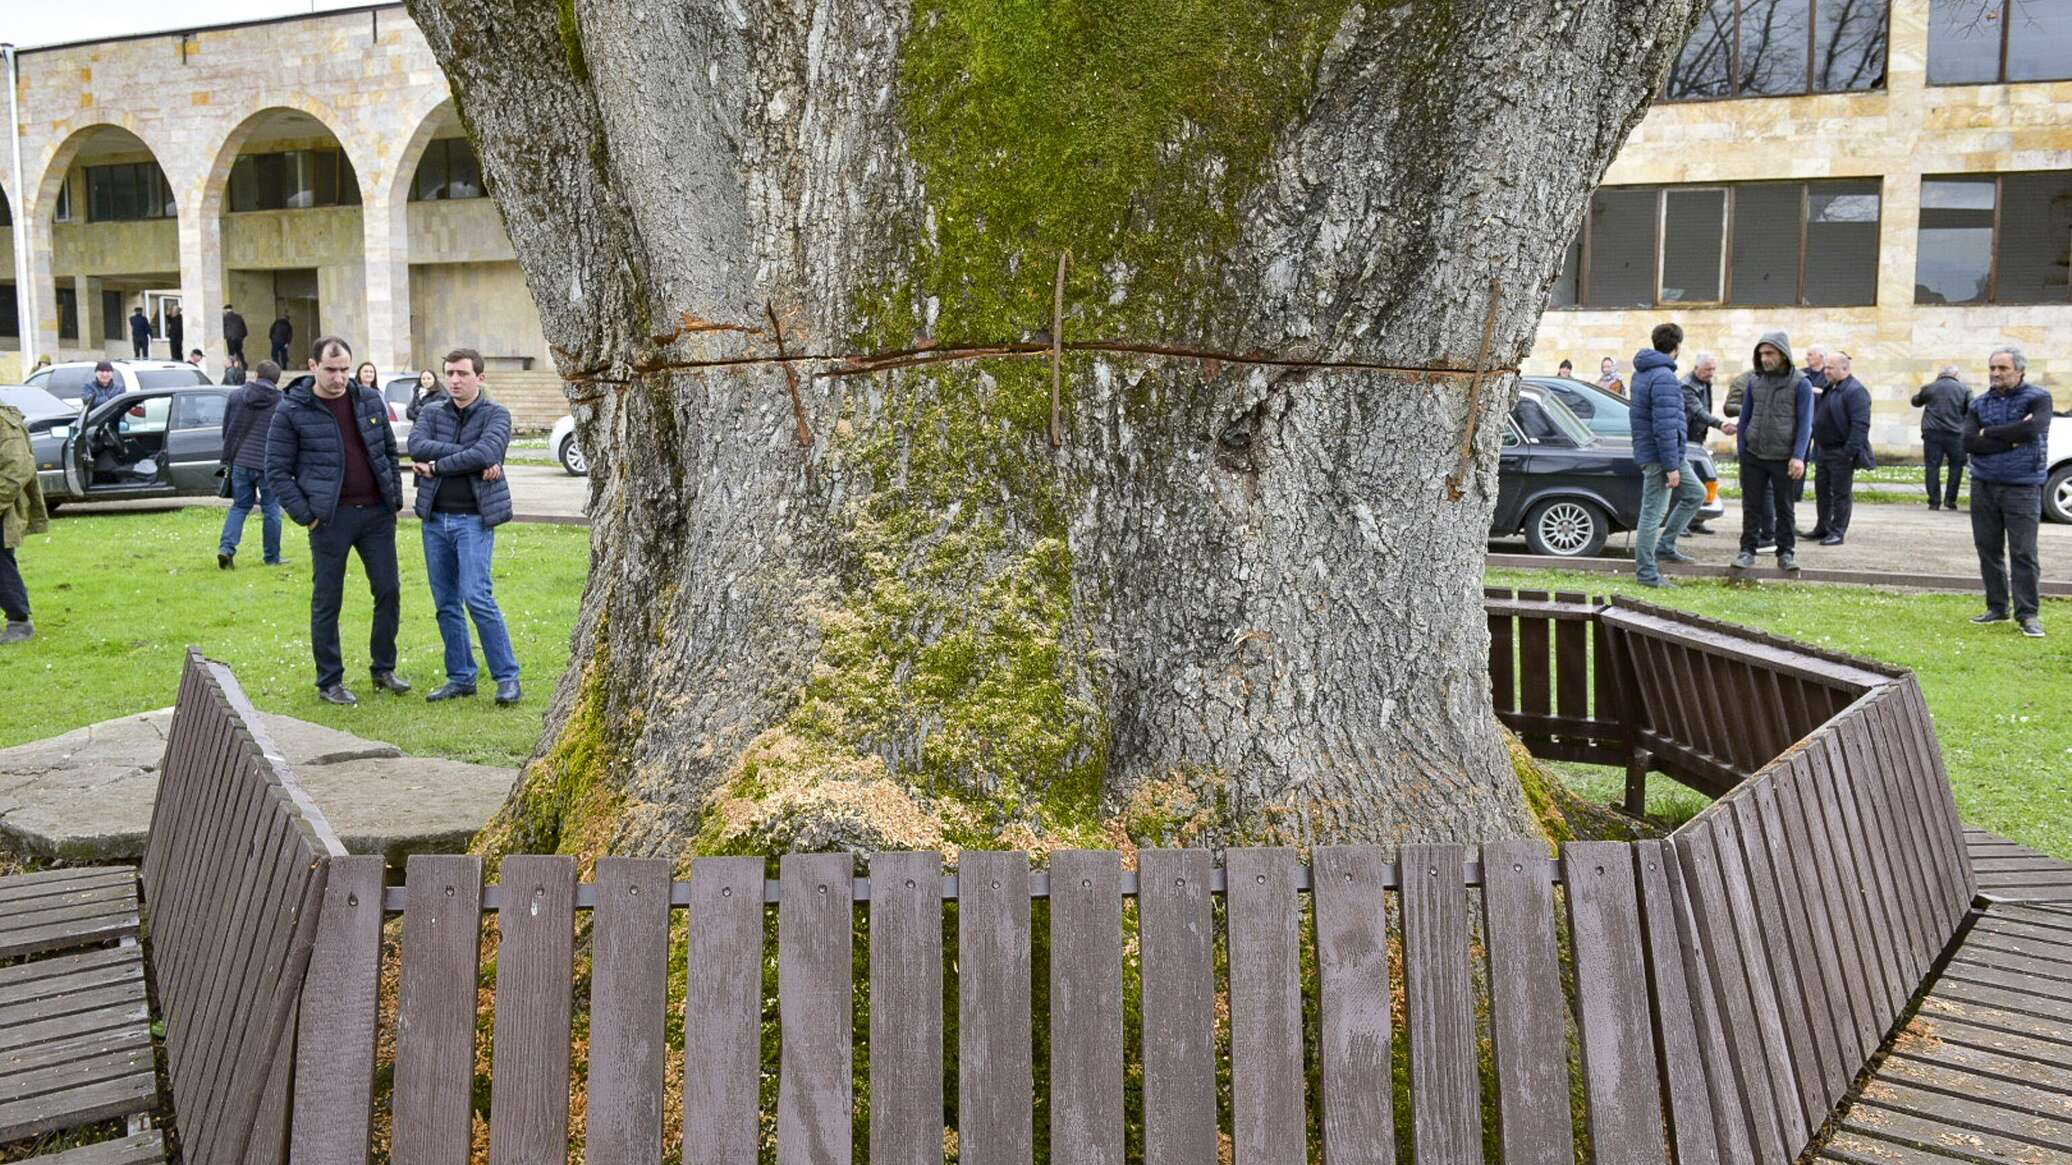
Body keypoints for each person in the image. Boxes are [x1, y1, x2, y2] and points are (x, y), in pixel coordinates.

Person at [265, 335, 412, 705]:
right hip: (330, 518)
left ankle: (384, 669)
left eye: (345, 369)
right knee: (328, 599)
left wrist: (393, 500)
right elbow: (277, 470)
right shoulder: (293, 408)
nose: (339, 377)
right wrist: (308, 516)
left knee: (388, 590)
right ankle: (330, 680)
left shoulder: (368, 399)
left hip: (376, 514)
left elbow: (388, 452)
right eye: (331, 369)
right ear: (313, 366)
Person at [409, 348, 521, 705]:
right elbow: (416, 446)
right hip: (434, 520)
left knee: (477, 596)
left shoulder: (496, 414)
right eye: (449, 373)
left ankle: (507, 677)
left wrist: (439, 464)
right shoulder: (430, 411)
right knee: (446, 603)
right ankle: (461, 677)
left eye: (462, 374)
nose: (454, 380)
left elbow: (487, 452)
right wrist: (468, 454)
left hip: (473, 520)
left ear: (480, 378)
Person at [1963, 347, 2052, 638]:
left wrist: (1989, 433)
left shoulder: (2038, 398)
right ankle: (1997, 607)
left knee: (2023, 552)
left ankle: (2028, 614)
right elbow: (1968, 442)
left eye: (2002, 368)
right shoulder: (1979, 403)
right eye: (1992, 368)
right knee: (1988, 548)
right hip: (1984, 484)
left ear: (2020, 370)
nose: (1996, 374)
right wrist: (2009, 436)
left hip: (2022, 485)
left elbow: (2033, 430)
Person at [1629, 324, 1705, 588]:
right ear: (1677, 346)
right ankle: (1647, 574)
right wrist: (1671, 466)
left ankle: (1666, 545)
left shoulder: (1644, 373)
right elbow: (1665, 425)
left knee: (1696, 494)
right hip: (1662, 456)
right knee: (1652, 514)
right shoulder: (1663, 377)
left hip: (1666, 453)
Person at [1729, 332, 1812, 572]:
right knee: (1751, 505)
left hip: (1784, 457)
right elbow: (1745, 418)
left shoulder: (1801, 383)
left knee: (1785, 507)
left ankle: (1785, 552)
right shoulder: (1755, 382)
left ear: (1782, 354)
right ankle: (1747, 550)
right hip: (1754, 455)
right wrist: (1743, 449)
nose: (1764, 358)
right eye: (1761, 354)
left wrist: (1798, 456)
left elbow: (1806, 423)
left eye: (1769, 353)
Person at [216, 359, 286, 569]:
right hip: (268, 463)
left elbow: (227, 427)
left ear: (256, 375)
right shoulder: (282, 401)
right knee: (271, 508)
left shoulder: (236, 395)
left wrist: (229, 455)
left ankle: (226, 549)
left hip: (241, 460)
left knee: (240, 506)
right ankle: (272, 557)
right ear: (277, 380)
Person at [1807, 351, 1872, 545]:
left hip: (1840, 451)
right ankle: (1822, 527)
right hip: (1823, 450)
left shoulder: (1856, 390)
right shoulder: (1832, 387)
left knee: (1840, 494)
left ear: (1844, 368)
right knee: (1822, 492)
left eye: (1830, 368)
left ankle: (1837, 531)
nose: (1825, 371)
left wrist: (1848, 453)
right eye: (1825, 367)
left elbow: (1860, 425)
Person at [0, 394, 50, 645]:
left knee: (1, 563)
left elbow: (17, 468)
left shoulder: (4, 423)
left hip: (3, 508)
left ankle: (19, 622)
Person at [1678, 351, 1735, 534]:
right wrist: (1720, 424)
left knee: (1701, 480)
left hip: (1697, 438)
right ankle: (1682, 523)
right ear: (1697, 368)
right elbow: (1698, 411)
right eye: (1707, 369)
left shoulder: (1704, 382)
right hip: (1686, 439)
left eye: (1713, 369)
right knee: (1687, 483)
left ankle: (1696, 520)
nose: (1711, 373)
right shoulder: (1687, 386)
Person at [1913, 364, 1973, 511]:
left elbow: (1915, 402)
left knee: (1932, 466)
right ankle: (1950, 500)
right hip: (1956, 434)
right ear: (1956, 375)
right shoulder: (1965, 389)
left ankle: (1934, 502)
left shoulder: (1930, 387)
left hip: (1932, 433)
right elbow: (1971, 408)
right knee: (1956, 467)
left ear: (1940, 375)